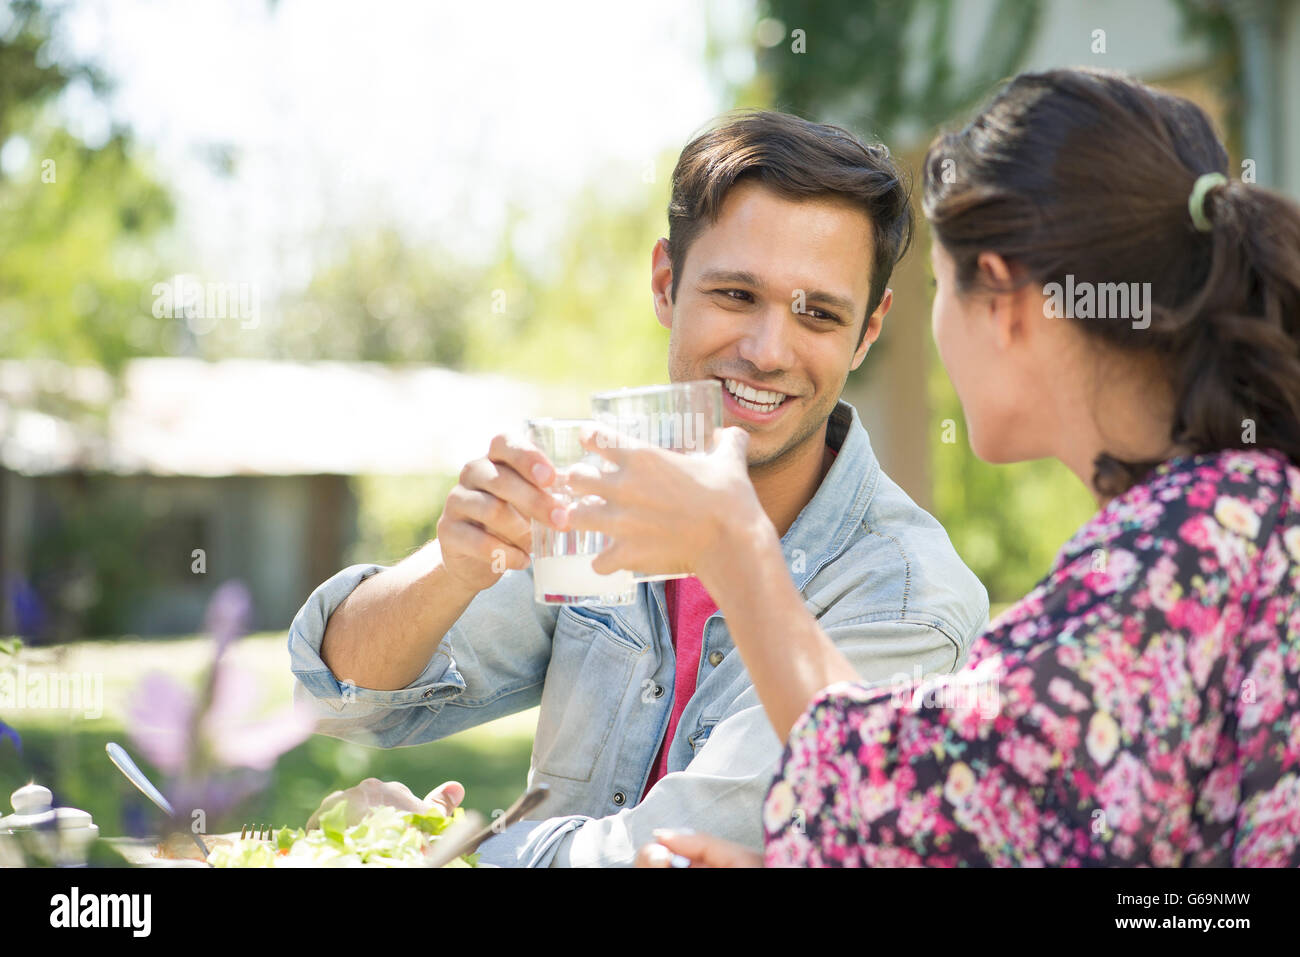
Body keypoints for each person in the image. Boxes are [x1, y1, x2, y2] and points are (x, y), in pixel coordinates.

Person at [571, 68, 1300, 867]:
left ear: (1005, 301)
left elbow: (899, 784)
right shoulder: (1226, 523)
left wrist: (735, 545)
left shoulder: (1181, 563)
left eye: (938, 290)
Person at [286, 110, 990, 867]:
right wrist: (451, 569)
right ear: (665, 283)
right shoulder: (601, 486)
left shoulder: (908, 599)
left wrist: (426, 847)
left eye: (817, 312)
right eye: (736, 295)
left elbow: (672, 854)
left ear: (869, 330)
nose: (767, 350)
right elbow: (337, 700)